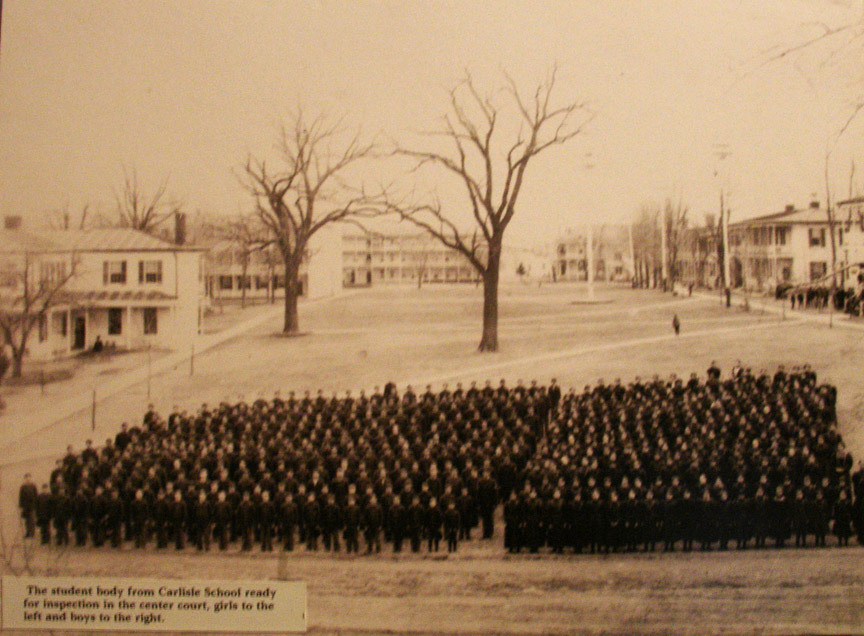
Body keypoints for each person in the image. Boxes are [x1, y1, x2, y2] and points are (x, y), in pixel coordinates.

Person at [19, 473, 38, 539]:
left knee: (32, 520)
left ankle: (32, 533)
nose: (28, 479)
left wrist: (36, 505)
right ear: (25, 479)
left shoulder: (33, 486)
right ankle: (28, 533)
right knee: (27, 520)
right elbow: (21, 497)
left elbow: (36, 496)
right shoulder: (23, 487)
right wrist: (21, 506)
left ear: (31, 478)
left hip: (32, 506)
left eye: (29, 477)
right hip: (25, 506)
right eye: (26, 478)